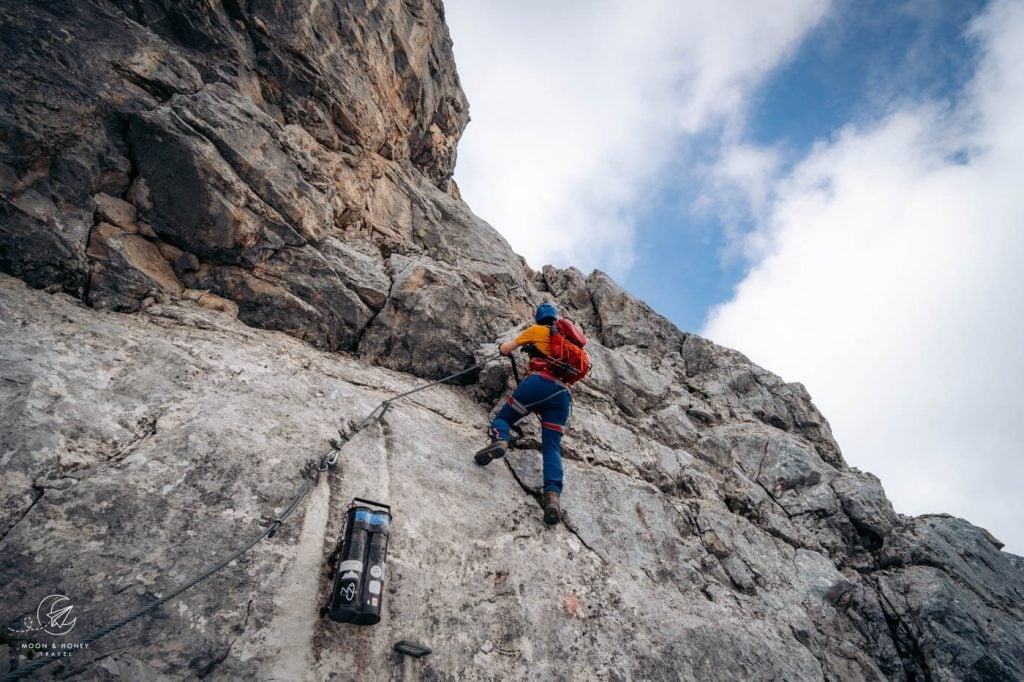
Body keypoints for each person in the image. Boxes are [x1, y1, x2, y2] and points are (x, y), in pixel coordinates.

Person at [474, 302, 572, 525]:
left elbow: (506, 349)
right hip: (562, 396)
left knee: (504, 418)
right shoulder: (567, 342)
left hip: (539, 383)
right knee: (551, 446)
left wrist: (501, 349)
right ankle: (552, 499)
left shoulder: (536, 330)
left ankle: (500, 441)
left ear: (538, 318)